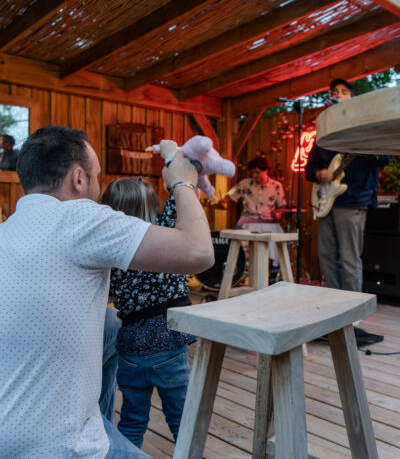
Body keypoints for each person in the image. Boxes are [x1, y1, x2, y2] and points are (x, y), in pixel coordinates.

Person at [0, 125, 213, 459]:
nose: (99, 189)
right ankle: (92, 439)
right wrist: (183, 182)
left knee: (112, 322)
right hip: (57, 448)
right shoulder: (79, 218)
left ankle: (98, 420)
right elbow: (200, 253)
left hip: (6, 433)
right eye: (97, 176)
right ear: (78, 179)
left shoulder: (6, 231)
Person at [100, 176, 196, 448]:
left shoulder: (109, 248)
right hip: (168, 343)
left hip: (129, 350)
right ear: (150, 207)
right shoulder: (162, 233)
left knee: (131, 419)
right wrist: (175, 169)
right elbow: (180, 199)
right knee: (182, 419)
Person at [305, 78, 391, 293]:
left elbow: (385, 158)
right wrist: (319, 174)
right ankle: (334, 303)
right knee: (325, 255)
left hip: (354, 200)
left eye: (344, 91)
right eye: (335, 91)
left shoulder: (364, 128)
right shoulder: (324, 133)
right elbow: (309, 168)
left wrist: (368, 144)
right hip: (326, 203)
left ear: (353, 98)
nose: (338, 95)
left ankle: (352, 309)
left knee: (349, 258)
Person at [215, 155, 286, 266]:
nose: (254, 175)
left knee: (275, 243)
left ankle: (272, 270)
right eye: (252, 173)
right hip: (247, 221)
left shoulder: (277, 186)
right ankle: (241, 269)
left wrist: (279, 214)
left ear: (266, 171)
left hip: (269, 222)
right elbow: (229, 195)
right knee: (238, 249)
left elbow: (282, 207)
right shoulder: (245, 183)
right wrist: (221, 200)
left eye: (257, 172)